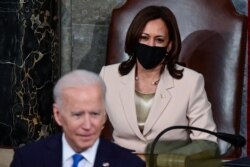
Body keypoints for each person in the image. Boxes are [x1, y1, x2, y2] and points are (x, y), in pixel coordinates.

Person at [99, 5, 218, 157]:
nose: (151, 45)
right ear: (135, 39)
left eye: (159, 40)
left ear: (169, 45)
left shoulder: (191, 82)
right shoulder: (108, 76)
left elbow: (206, 143)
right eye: (144, 37)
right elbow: (87, 127)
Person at [10, 70, 145, 167]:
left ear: (104, 116)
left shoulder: (130, 164)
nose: (87, 125)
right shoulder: (28, 160)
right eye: (77, 115)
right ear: (58, 115)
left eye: (95, 114)